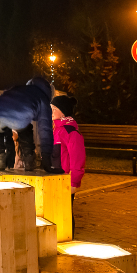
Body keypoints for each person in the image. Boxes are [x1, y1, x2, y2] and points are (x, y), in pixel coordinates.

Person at [0, 77, 62, 173]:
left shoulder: (20, 89)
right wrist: (46, 160)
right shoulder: (42, 99)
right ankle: (29, 160)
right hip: (20, 115)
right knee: (25, 128)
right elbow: (45, 131)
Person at [51, 94, 85, 234]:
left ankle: (68, 237)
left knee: (65, 213)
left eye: (54, 108)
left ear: (63, 112)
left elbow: (77, 158)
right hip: (53, 179)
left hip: (64, 180)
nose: (51, 111)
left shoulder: (70, 132)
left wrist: (73, 183)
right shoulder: (57, 130)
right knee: (54, 212)